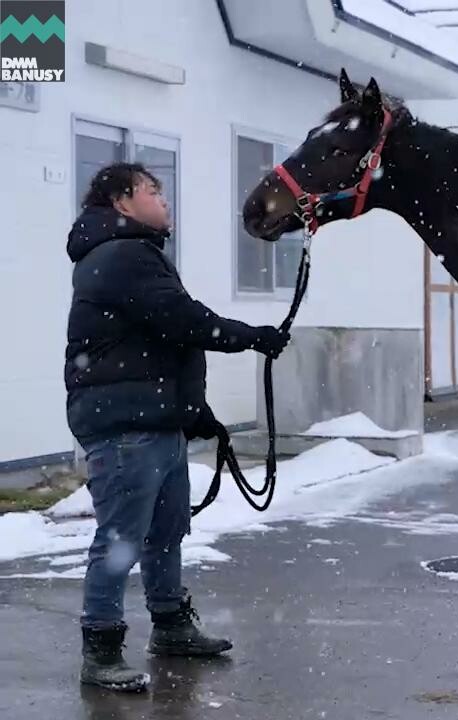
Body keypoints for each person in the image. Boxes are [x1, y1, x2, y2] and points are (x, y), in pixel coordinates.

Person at [65, 162, 291, 692]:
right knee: (119, 540)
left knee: (166, 534)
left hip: (155, 422)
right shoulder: (120, 256)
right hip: (125, 428)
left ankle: (170, 627)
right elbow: (182, 319)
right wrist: (250, 335)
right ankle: (100, 650)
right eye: (152, 191)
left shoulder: (137, 254)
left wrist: (196, 413)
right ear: (122, 203)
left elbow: (167, 345)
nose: (164, 200)